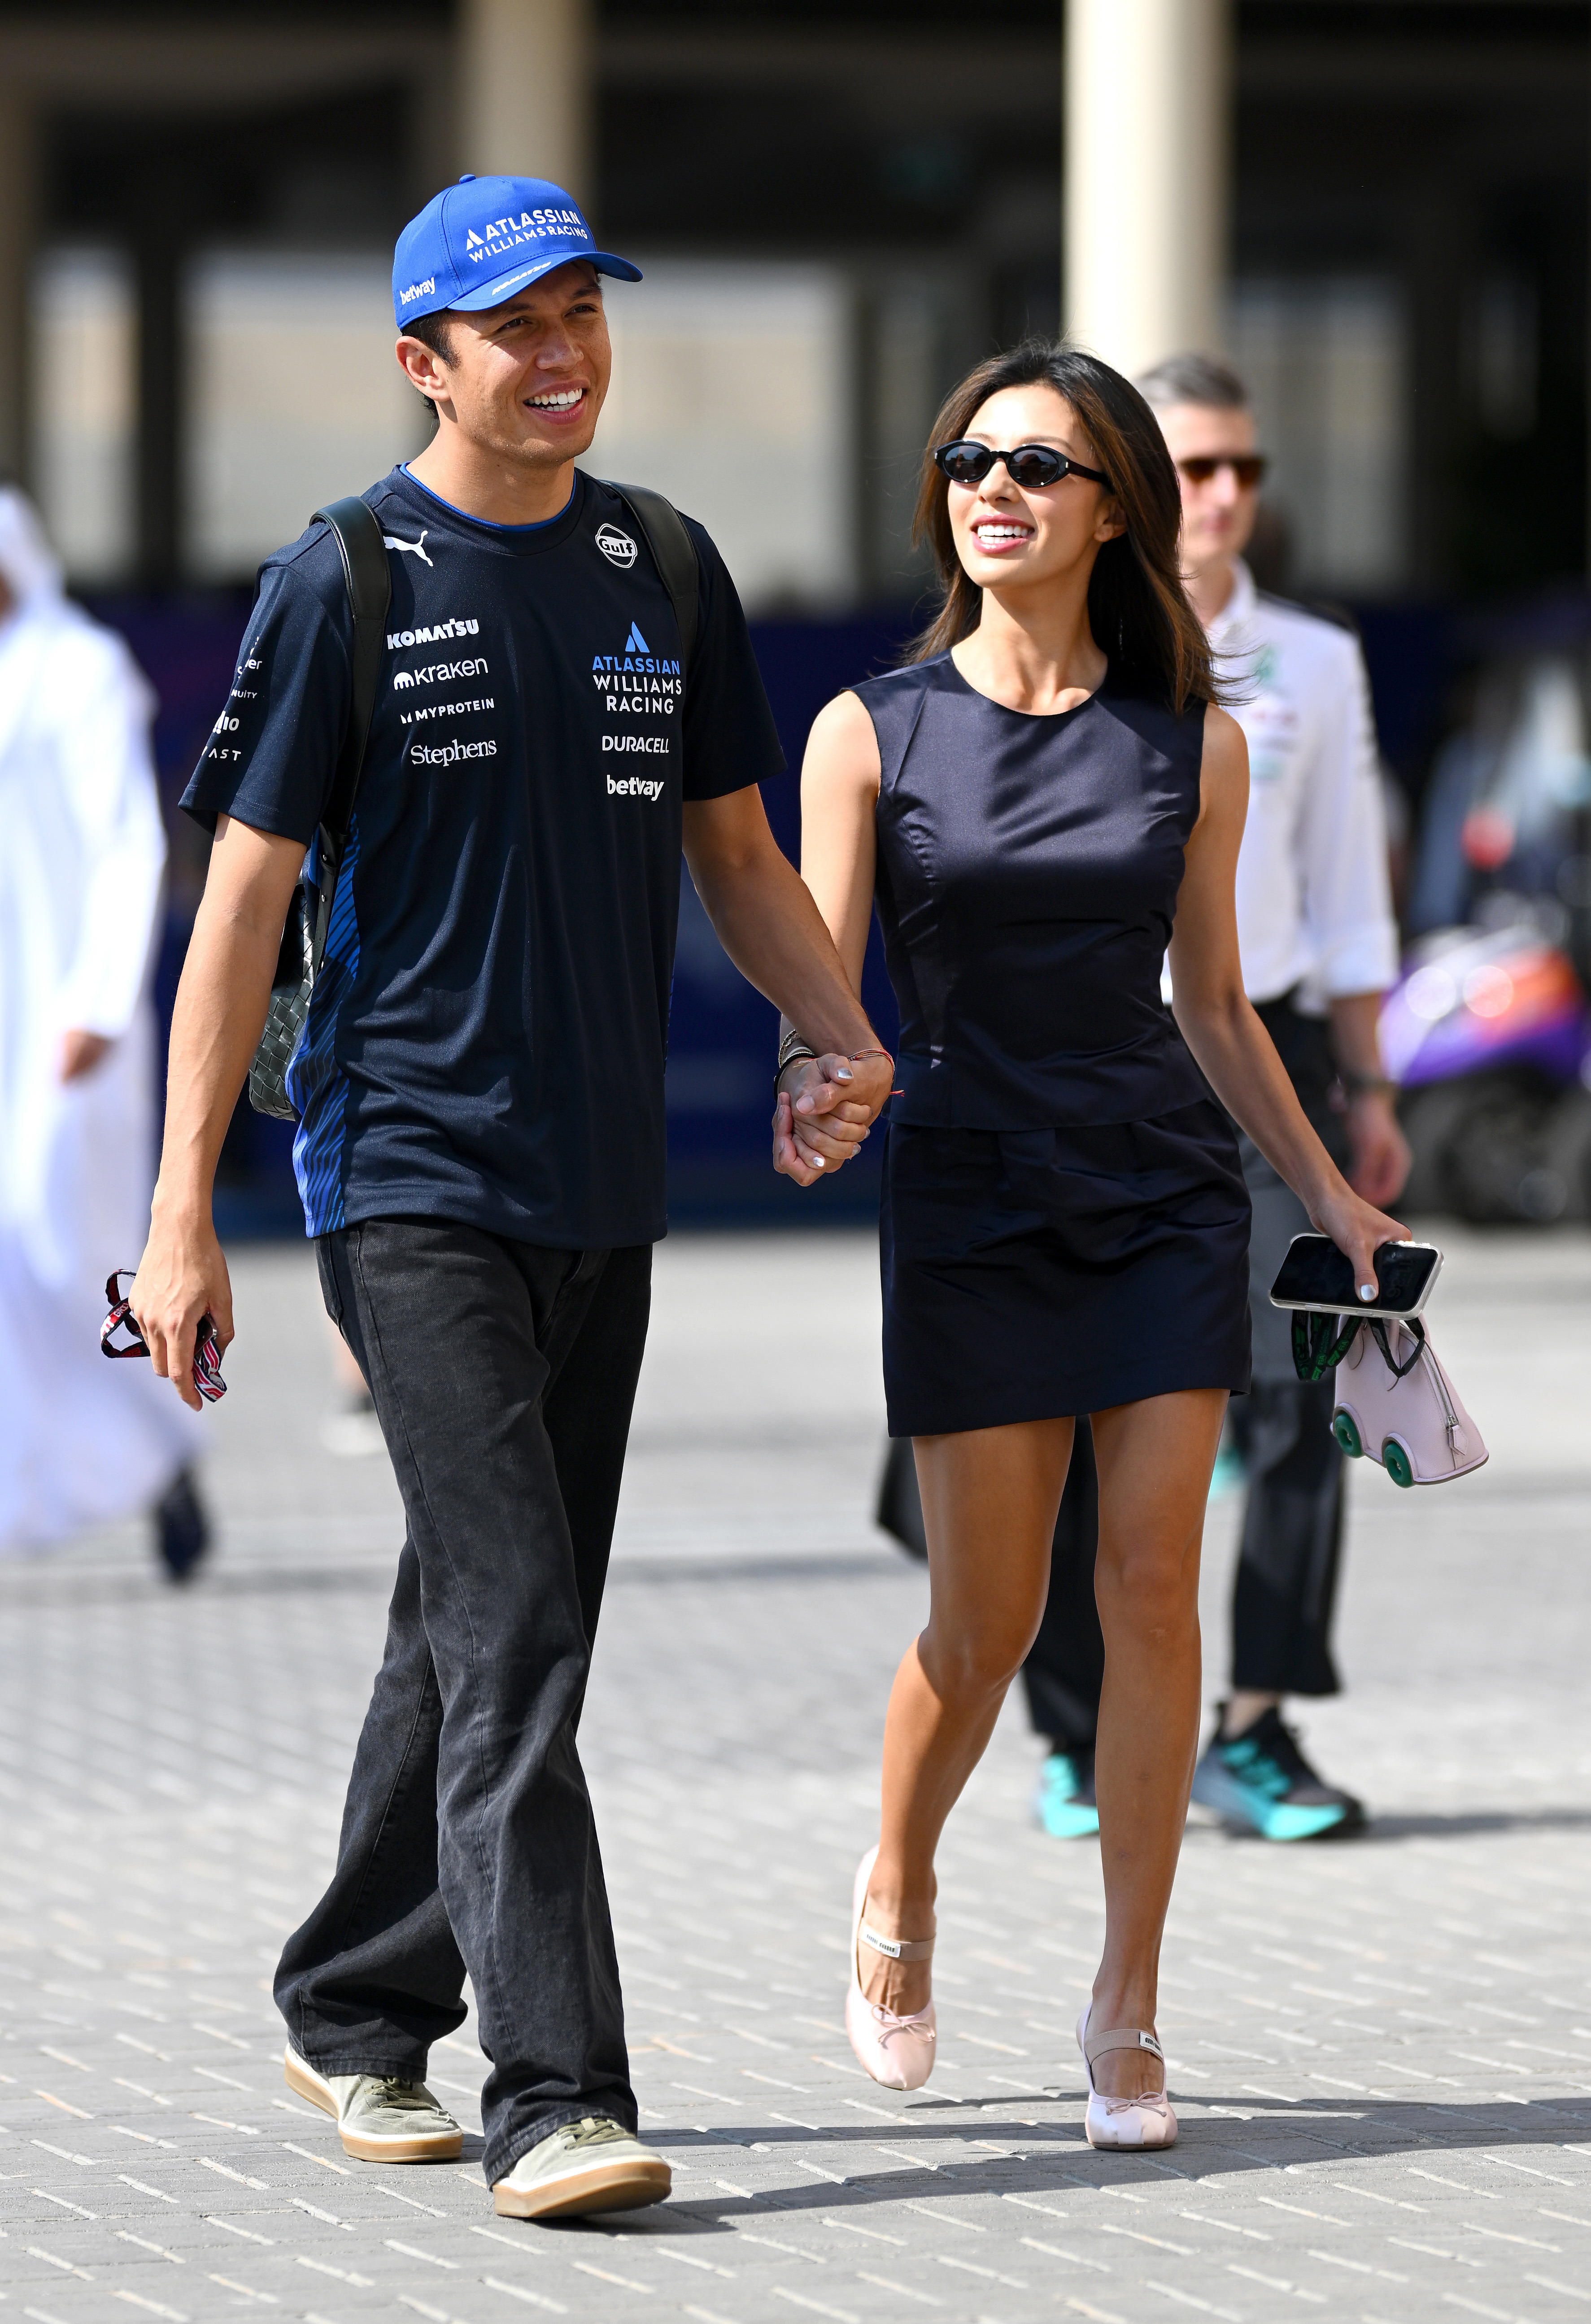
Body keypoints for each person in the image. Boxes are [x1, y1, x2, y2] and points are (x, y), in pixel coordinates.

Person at [129, 172, 893, 2221]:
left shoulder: (665, 565)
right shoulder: (347, 578)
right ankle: (556, 2087)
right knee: (523, 1618)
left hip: (601, 1183)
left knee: (465, 1615)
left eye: (583, 317)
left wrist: (841, 1031)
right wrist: (182, 1213)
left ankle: (352, 2002)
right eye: (513, 326)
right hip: (405, 1172)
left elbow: (737, 859)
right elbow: (241, 912)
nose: (559, 357)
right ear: (423, 360)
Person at [778, 340, 1404, 2149]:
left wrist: (1334, 1190)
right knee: (983, 1624)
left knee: (1147, 1594)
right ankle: (895, 1875)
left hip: (1156, 1187)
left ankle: (1126, 1998)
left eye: (1035, 466)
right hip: (969, 1194)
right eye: (970, 460)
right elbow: (827, 987)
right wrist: (821, 1083)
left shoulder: (1188, 739)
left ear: (1108, 507)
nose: (991, 489)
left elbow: (1211, 1005)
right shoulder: (864, 731)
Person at [1022, 352, 1409, 1846]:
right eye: (1192, 468)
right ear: (1128, 487)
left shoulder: (1312, 660)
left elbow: (1343, 896)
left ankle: (1250, 1729)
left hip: (1275, 1069)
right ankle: (1073, 1726)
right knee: (1056, 1410)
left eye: (1242, 467)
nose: (1224, 495)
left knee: (1308, 1389)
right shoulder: (1070, 646)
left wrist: (1363, 1092)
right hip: (1093, 1065)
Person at [0, 485, 209, 1581]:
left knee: (65, 1248)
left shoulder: (75, 670)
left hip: (63, 1024)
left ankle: (166, 1443)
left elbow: (129, 847)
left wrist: (93, 1000)